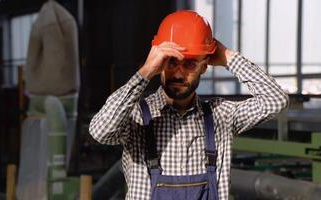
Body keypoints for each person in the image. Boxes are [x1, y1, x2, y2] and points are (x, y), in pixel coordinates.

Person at [89, 10, 289, 200]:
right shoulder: (136, 116)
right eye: (171, 62)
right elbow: (100, 131)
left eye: (190, 64)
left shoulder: (222, 115)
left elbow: (275, 100)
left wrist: (228, 56)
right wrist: (145, 71)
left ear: (204, 67)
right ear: (159, 64)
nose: (178, 73)